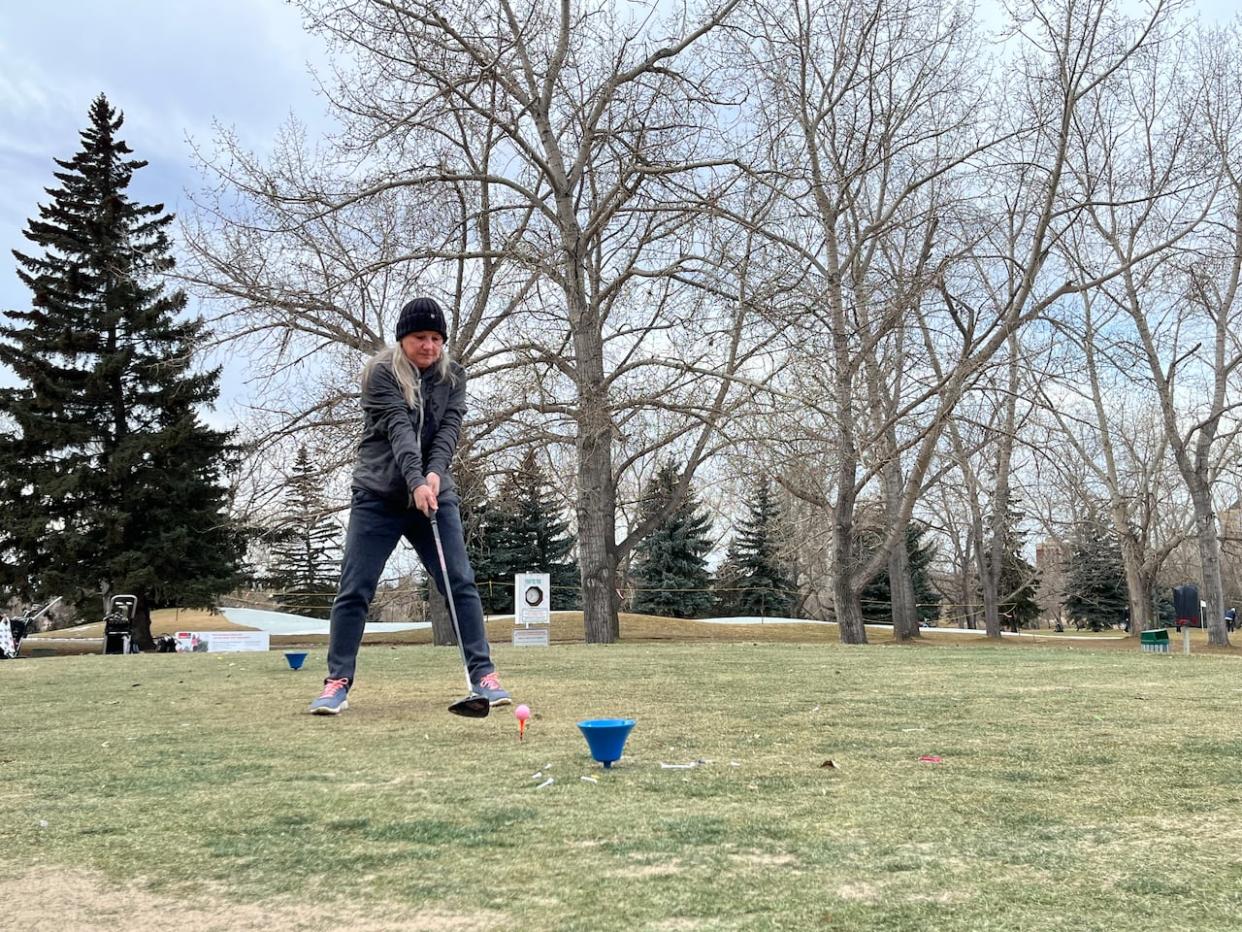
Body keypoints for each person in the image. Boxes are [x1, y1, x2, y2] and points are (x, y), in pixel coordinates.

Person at [309, 297, 510, 715]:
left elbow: (448, 431)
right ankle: (336, 682)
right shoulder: (380, 374)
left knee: (460, 583)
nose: (430, 346)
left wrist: (433, 476)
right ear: (403, 338)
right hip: (377, 496)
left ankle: (484, 676)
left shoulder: (453, 377)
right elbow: (400, 429)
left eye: (437, 338)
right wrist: (415, 480)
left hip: (434, 496)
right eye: (421, 337)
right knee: (355, 590)